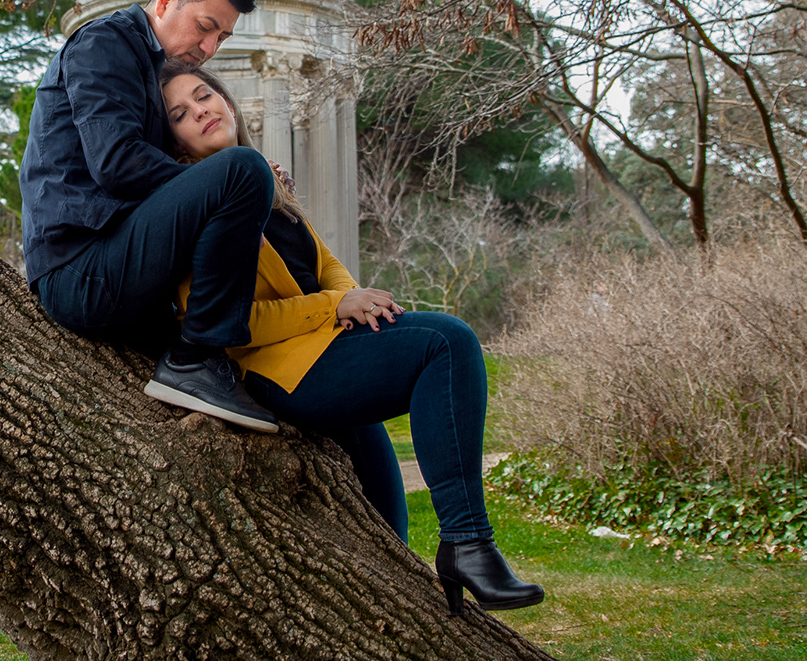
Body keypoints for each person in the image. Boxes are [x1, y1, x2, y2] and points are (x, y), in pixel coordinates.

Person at [158, 58, 544, 614]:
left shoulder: (266, 181)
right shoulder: (193, 205)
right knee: (446, 343)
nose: (199, 111)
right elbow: (228, 326)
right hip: (278, 370)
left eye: (203, 95)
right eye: (179, 114)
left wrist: (355, 300)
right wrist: (334, 307)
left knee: (390, 534)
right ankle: (467, 543)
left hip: (326, 350)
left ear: (227, 100)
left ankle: (421, 616)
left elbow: (325, 264)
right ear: (175, 141)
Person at [19, 0, 279, 432]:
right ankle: (195, 361)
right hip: (78, 269)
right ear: (164, 2)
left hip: (120, 263)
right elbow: (118, 161)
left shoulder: (151, 66)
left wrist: (237, 210)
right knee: (243, 168)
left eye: (222, 37)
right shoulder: (104, 42)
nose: (210, 47)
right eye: (205, 27)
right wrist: (230, 192)